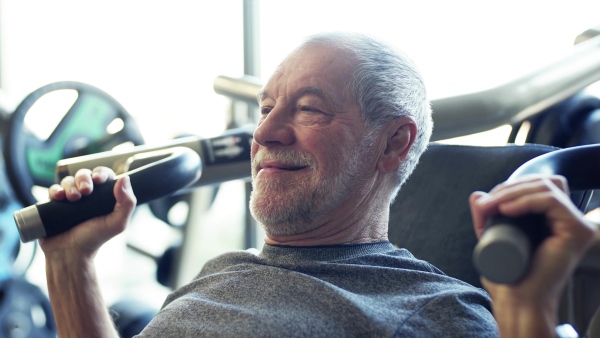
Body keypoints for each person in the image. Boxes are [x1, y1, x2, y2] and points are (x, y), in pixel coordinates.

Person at [38, 32, 597, 338]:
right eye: (265, 108)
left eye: (307, 109)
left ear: (393, 144)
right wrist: (69, 264)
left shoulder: (432, 312)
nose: (264, 132)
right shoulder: (225, 272)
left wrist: (529, 311)